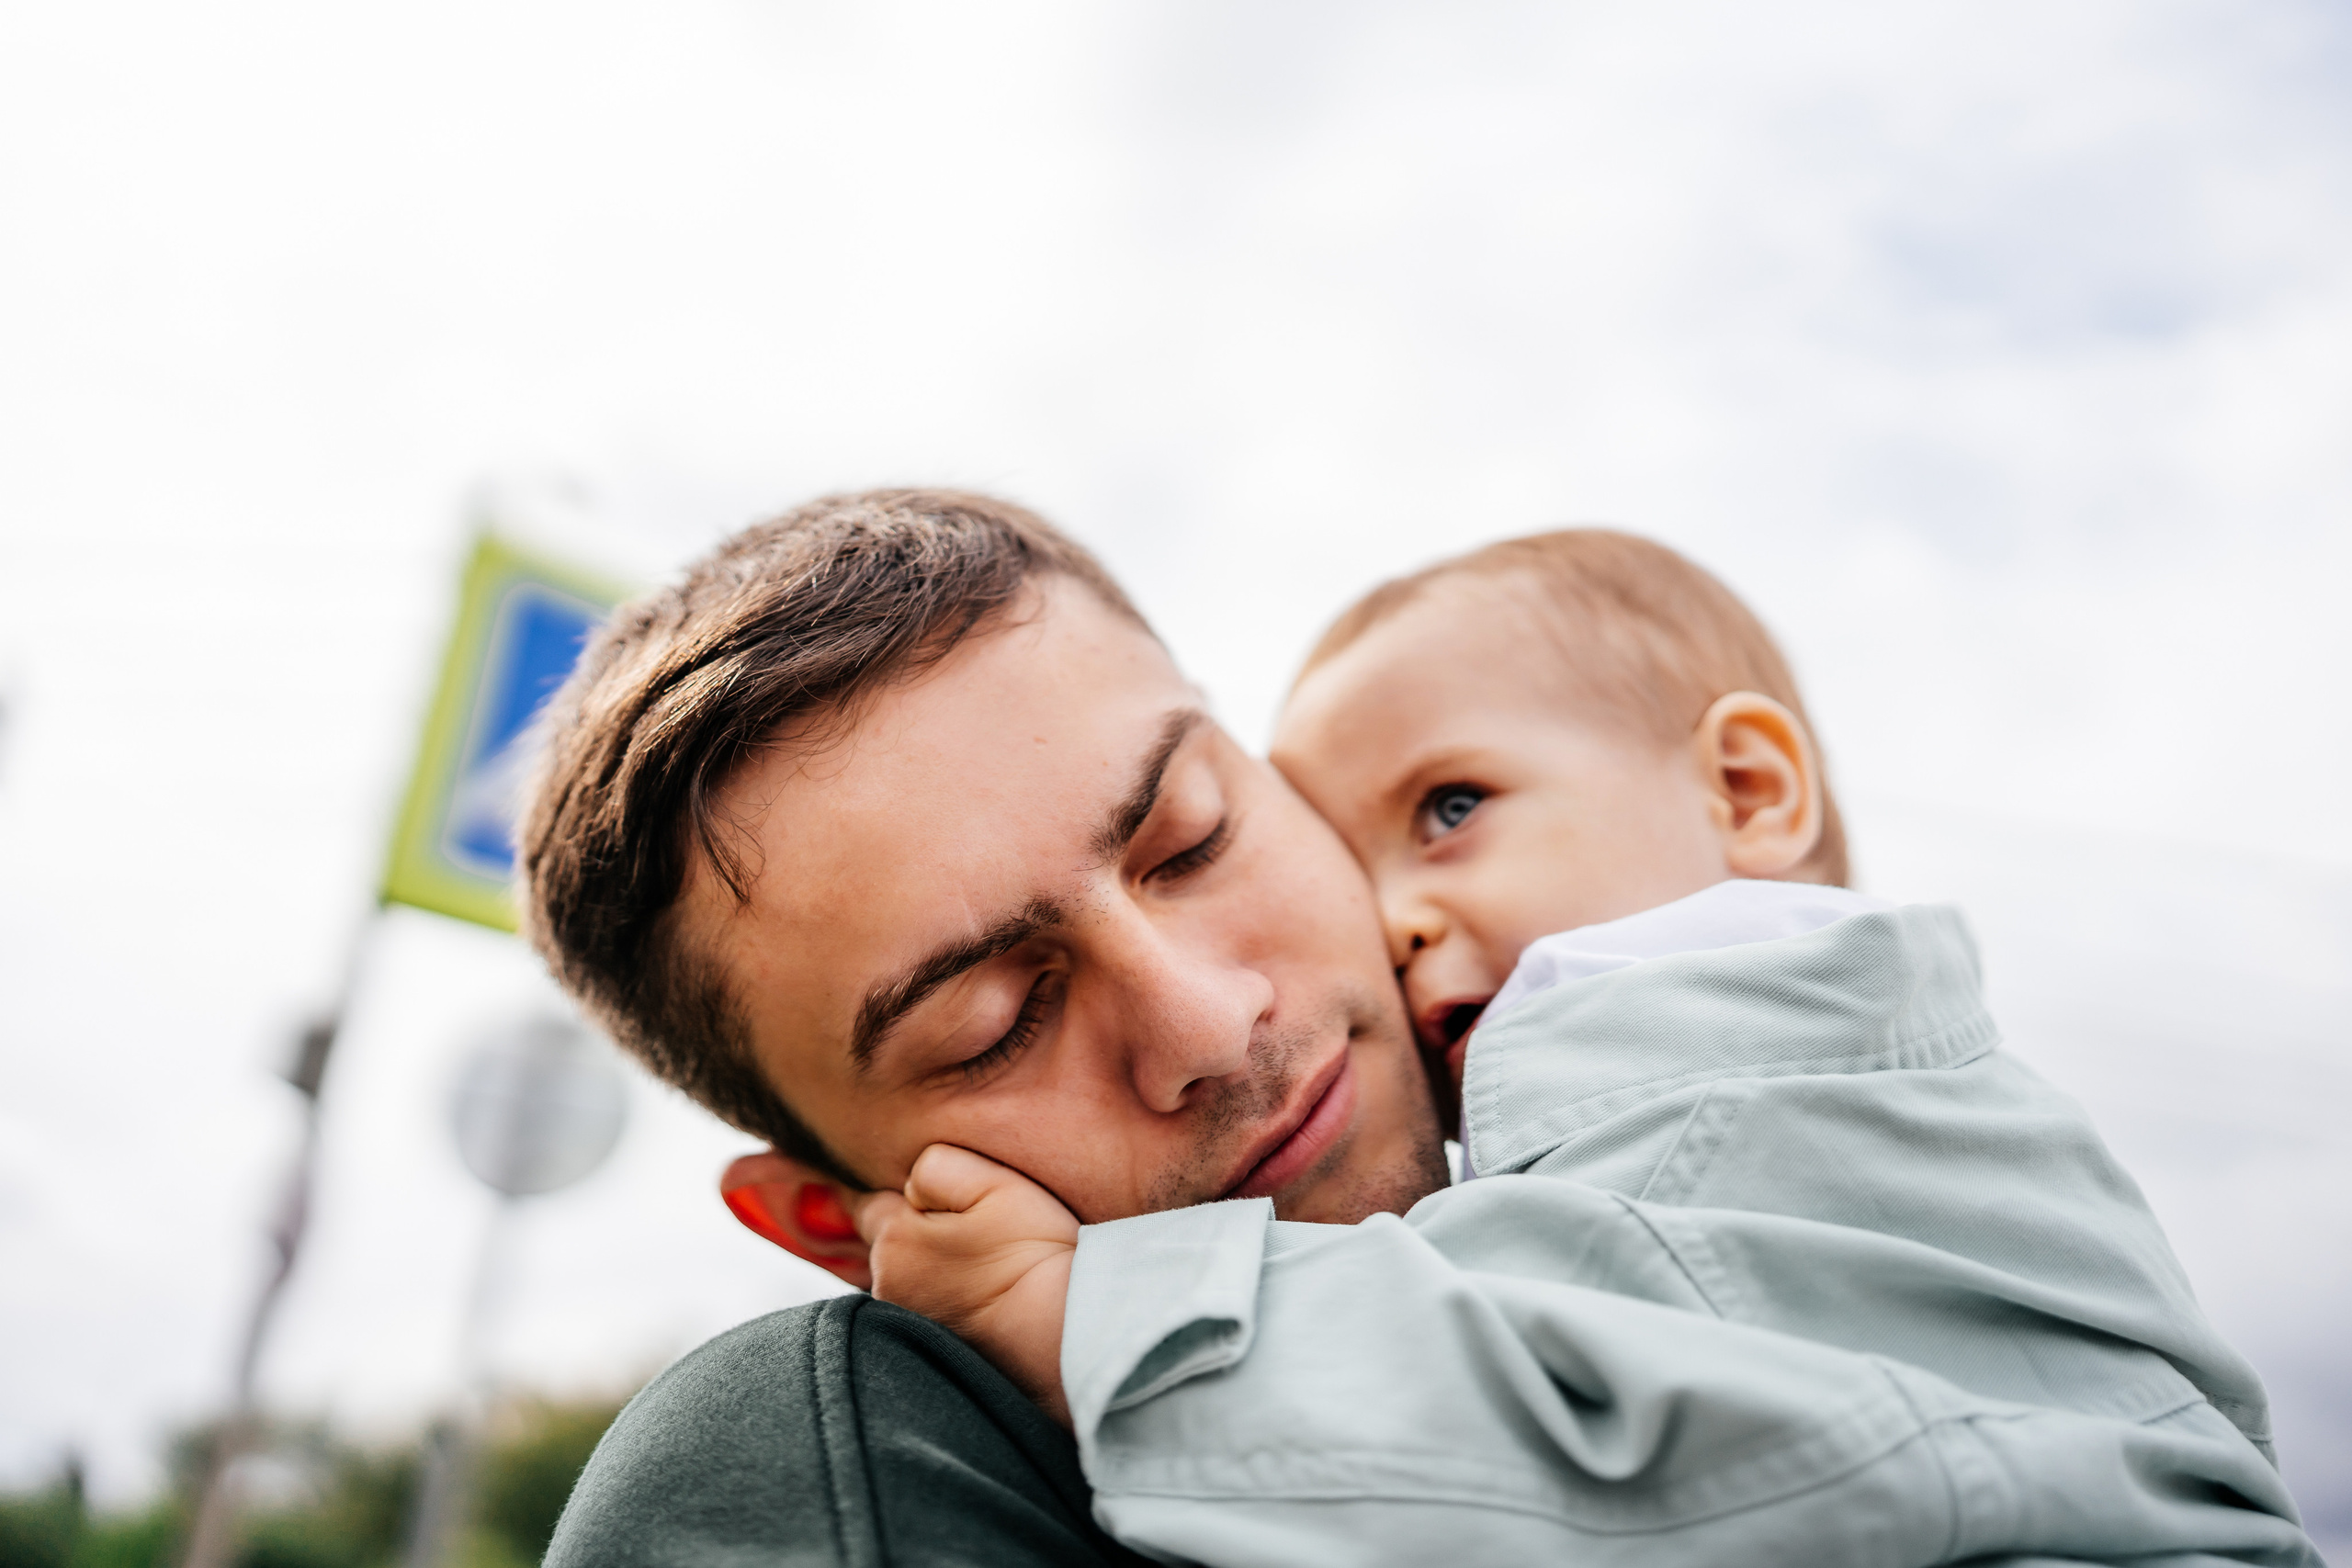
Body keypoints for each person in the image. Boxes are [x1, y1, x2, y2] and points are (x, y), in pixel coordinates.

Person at [521, 492, 2310, 1566]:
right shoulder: (819, 1463)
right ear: (841, 1220)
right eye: (994, 1018)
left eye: (1194, 834)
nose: (1210, 1019)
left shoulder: (1732, 1106)